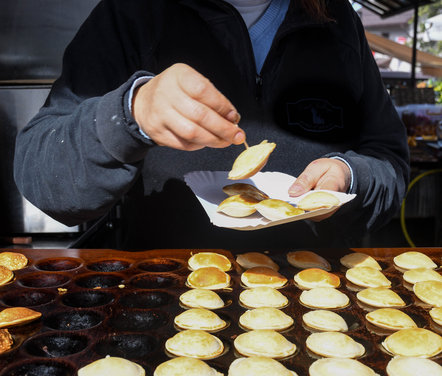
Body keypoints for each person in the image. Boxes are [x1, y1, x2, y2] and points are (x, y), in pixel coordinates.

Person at [14, 0, 409, 250]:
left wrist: (351, 175)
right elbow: (41, 175)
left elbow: (388, 160)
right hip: (166, 302)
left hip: (314, 304)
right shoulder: (134, 13)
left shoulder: (336, 19)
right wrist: (130, 114)